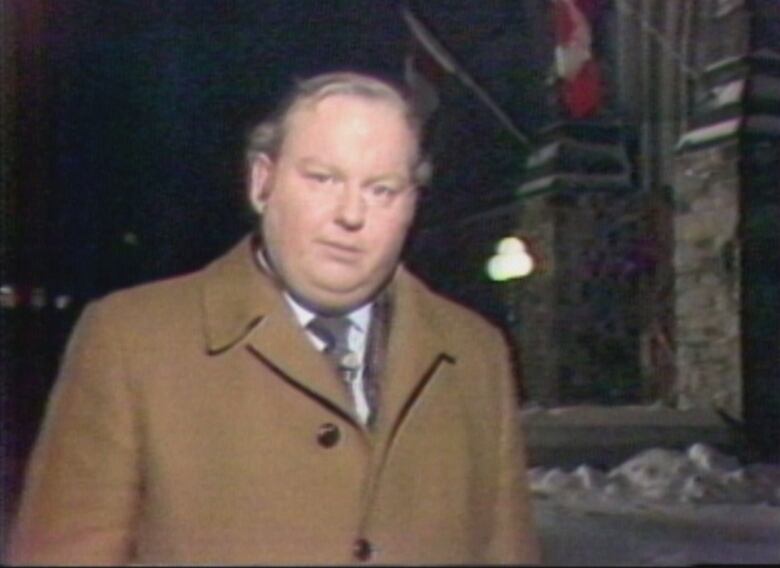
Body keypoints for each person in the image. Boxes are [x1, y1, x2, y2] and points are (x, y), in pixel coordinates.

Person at [6, 71, 541, 565]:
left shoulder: (476, 354)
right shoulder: (130, 341)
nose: (351, 215)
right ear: (263, 183)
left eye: (381, 189)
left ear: (412, 205)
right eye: (323, 179)